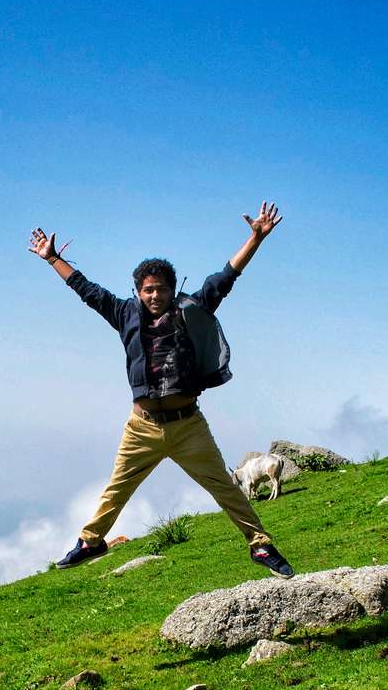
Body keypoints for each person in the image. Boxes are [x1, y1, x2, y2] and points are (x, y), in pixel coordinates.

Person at [29, 202, 296, 578]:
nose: (155, 296)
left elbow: (226, 277)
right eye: (148, 290)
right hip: (142, 427)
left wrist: (255, 238)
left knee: (225, 487)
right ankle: (92, 541)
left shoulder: (192, 308)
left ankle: (261, 546)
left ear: (172, 290)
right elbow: (87, 291)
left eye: (162, 289)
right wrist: (53, 258)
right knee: (117, 488)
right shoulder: (124, 314)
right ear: (138, 291)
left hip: (188, 426)